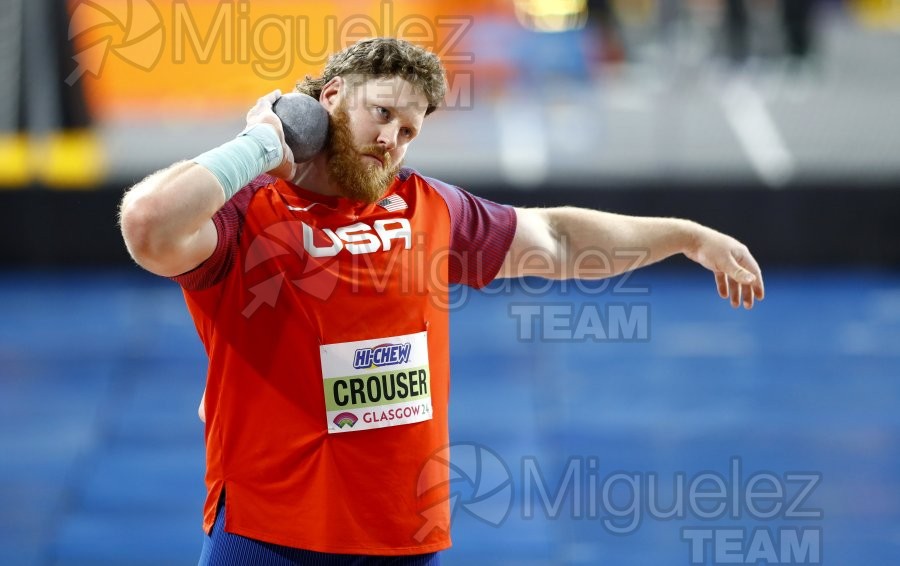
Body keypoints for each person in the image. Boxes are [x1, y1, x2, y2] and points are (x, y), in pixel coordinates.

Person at [118, 37, 764, 565]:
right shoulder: (249, 209)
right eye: (383, 113)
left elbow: (559, 238)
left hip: (401, 535)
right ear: (331, 98)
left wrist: (687, 237)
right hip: (269, 531)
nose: (394, 139)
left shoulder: (429, 207)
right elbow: (147, 225)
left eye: (409, 128)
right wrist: (262, 143)